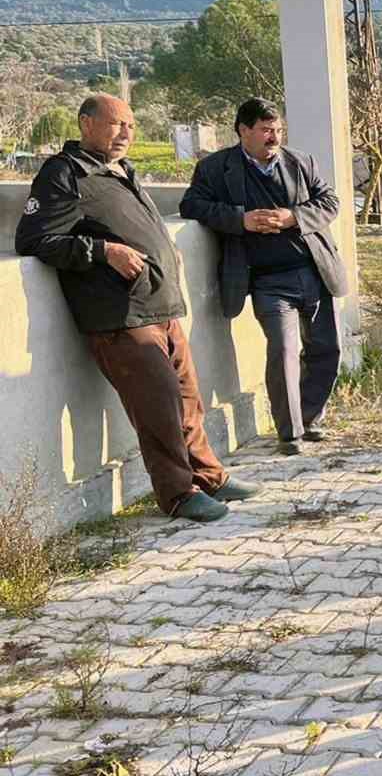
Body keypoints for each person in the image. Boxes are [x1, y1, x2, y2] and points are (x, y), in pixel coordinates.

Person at [14, 94, 261, 522]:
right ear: (86, 124)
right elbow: (35, 240)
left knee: (187, 401)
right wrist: (103, 250)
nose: (126, 133)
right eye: (116, 124)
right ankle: (178, 495)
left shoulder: (121, 170)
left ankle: (210, 476)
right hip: (119, 316)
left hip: (160, 306)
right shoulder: (64, 174)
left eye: (131, 125)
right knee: (158, 408)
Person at [179, 98, 349, 456]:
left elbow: (330, 202)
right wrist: (239, 219)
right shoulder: (214, 168)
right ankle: (289, 435)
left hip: (313, 271)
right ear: (243, 130)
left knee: (326, 350)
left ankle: (309, 418)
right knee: (284, 351)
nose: (275, 137)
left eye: (278, 130)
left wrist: (293, 218)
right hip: (266, 280)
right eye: (266, 130)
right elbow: (192, 206)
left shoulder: (301, 162)